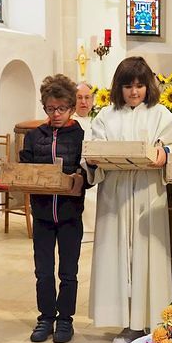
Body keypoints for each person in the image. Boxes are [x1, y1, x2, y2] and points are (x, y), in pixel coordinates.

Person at [83, 57, 172, 343]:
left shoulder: (161, 115)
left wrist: (165, 154)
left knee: (146, 255)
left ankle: (151, 322)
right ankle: (127, 323)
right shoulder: (106, 116)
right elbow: (92, 150)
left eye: (139, 85)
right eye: (128, 86)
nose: (134, 92)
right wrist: (92, 159)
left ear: (148, 86)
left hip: (148, 194)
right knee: (117, 255)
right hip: (115, 194)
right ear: (119, 87)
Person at [21, 74, 88, 343]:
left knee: (68, 272)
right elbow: (24, 167)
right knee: (44, 271)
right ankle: (46, 317)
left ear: (71, 107)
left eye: (61, 108)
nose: (56, 114)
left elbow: (89, 171)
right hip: (42, 214)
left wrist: (79, 178)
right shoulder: (34, 136)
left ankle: (65, 320)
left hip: (70, 214)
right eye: (50, 109)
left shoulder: (81, 135)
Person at [73, 82, 98, 240]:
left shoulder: (98, 121)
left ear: (93, 100)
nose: (84, 102)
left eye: (87, 97)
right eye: (79, 98)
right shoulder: (69, 122)